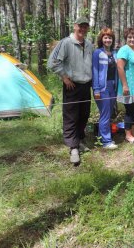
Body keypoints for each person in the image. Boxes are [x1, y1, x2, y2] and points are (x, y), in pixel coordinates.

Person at [47, 17, 94, 165]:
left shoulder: (89, 44)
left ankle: (80, 140)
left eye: (85, 27)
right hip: (72, 85)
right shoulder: (66, 43)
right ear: (75, 26)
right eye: (80, 26)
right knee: (71, 117)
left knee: (84, 115)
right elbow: (52, 62)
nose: (83, 29)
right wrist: (64, 77)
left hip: (86, 85)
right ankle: (73, 148)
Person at [92, 27, 118, 150]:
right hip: (102, 87)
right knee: (105, 114)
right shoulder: (97, 53)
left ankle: (100, 137)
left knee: (107, 113)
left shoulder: (114, 53)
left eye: (110, 38)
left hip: (113, 86)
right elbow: (95, 71)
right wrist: (96, 89)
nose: (108, 40)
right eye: (105, 37)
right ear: (101, 39)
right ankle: (107, 141)